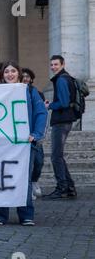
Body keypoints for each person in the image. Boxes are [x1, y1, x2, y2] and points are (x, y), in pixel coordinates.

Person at [0, 61, 47, 226]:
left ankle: (26, 214)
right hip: (2, 144)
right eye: (6, 71)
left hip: (24, 143)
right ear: (2, 75)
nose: (10, 74)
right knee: (1, 177)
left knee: (24, 179)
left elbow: (40, 112)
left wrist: (36, 134)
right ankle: (0, 215)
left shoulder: (30, 91)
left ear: (19, 73)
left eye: (13, 71)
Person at [43, 55, 78, 200]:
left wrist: (49, 105)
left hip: (61, 121)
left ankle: (61, 188)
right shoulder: (66, 78)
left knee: (56, 156)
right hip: (66, 120)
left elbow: (63, 102)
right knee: (59, 156)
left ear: (63, 64)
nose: (53, 67)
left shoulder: (61, 79)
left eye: (56, 64)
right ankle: (69, 188)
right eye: (51, 65)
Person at [22, 68, 46, 200]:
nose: (25, 78)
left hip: (32, 135)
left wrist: (37, 133)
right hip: (19, 137)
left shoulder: (35, 92)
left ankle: (33, 181)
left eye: (27, 76)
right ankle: (27, 189)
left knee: (38, 162)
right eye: (23, 76)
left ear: (31, 79)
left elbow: (41, 112)